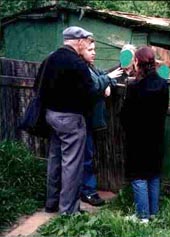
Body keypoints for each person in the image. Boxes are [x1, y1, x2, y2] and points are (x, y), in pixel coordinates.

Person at [41, 26, 95, 214]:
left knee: (55, 160)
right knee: (72, 164)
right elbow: (90, 93)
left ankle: (51, 203)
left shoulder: (50, 58)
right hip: (71, 119)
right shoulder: (77, 63)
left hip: (51, 116)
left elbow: (39, 86)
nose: (87, 45)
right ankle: (69, 211)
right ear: (79, 42)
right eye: (87, 43)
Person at [121, 46, 169, 223]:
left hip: (137, 139)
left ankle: (142, 217)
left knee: (139, 175)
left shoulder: (134, 87)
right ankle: (153, 213)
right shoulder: (163, 84)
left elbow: (125, 116)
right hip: (156, 137)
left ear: (137, 62)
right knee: (154, 174)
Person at [79, 40, 124, 206]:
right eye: (90, 50)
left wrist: (107, 84)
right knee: (86, 157)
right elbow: (94, 85)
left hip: (91, 120)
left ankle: (86, 189)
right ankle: (87, 191)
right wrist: (105, 81)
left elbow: (105, 78)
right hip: (83, 120)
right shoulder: (82, 69)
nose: (94, 53)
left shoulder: (91, 67)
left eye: (95, 49)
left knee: (88, 156)